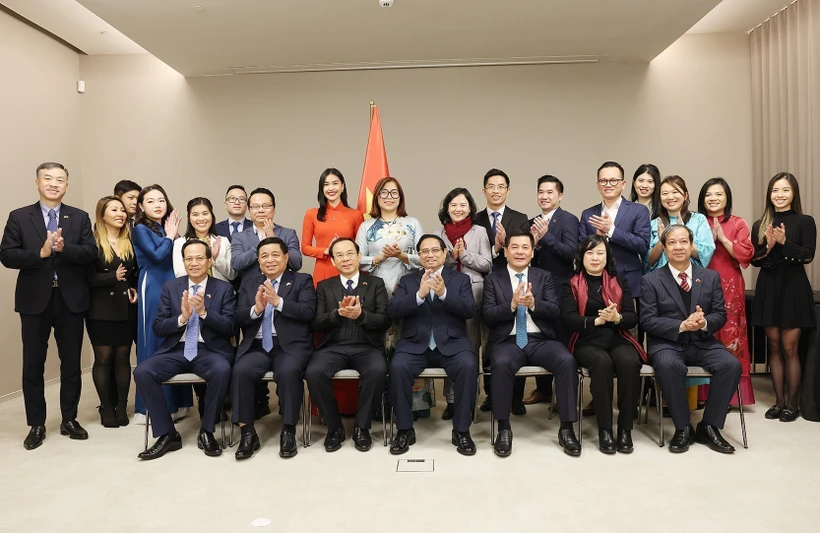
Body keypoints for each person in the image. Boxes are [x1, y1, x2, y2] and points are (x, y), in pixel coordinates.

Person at [0, 162, 97, 450]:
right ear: (37, 183)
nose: (54, 184)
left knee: (71, 363)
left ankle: (69, 419)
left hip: (70, 299)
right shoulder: (19, 216)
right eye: (48, 178)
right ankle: (37, 424)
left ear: (66, 186)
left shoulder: (78, 217)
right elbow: (6, 255)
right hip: (34, 300)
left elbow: (91, 253)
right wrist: (39, 253)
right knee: (33, 364)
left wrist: (66, 248)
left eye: (60, 180)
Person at [640, 225, 741, 454]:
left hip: (702, 342)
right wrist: (680, 325)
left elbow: (720, 314)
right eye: (672, 242)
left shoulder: (709, 277)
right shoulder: (651, 280)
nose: (678, 247)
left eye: (683, 241)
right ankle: (683, 427)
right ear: (664, 248)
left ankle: (709, 426)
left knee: (730, 364)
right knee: (668, 365)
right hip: (668, 343)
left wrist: (703, 323)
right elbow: (647, 320)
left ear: (691, 245)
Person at [134, 240, 235, 460]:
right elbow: (159, 327)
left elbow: (229, 327)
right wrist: (182, 318)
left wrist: (205, 312)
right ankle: (168, 434)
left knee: (222, 370)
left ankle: (207, 431)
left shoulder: (224, 288)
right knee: (143, 371)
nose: (194, 263)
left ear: (209, 261)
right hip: (176, 348)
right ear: (183, 262)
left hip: (210, 350)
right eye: (189, 259)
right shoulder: (171, 287)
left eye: (200, 258)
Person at [483, 232, 581, 457]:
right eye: (514, 247)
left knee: (566, 360)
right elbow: (488, 315)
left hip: (540, 339)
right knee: (500, 363)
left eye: (525, 247)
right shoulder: (492, 279)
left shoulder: (543, 277)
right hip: (507, 341)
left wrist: (534, 304)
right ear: (505, 251)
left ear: (532, 251)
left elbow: (555, 310)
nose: (519, 251)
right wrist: (511, 305)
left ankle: (566, 428)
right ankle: (503, 428)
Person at [388, 234, 478, 456]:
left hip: (452, 345)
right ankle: (405, 429)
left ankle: (462, 430)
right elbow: (393, 312)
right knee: (398, 367)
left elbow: (469, 311)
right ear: (419, 256)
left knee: (468, 366)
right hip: (414, 345)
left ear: (444, 253)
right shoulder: (408, 281)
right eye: (424, 251)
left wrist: (443, 294)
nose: (430, 255)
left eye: (435, 250)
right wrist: (419, 295)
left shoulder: (460, 280)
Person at [231, 237, 316, 460]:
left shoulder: (302, 280)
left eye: (275, 255)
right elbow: (237, 317)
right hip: (257, 345)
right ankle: (247, 433)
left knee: (288, 372)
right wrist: (256, 309)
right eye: (264, 256)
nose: (270, 260)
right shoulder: (249, 284)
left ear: (286, 258)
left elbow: (308, 312)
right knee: (240, 371)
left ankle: (288, 430)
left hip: (290, 346)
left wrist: (278, 302)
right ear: (258, 261)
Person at [355, 177, 432, 417]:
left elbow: (426, 257)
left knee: (407, 346)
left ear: (401, 197)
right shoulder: (367, 227)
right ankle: (378, 406)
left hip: (408, 291)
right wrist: (378, 258)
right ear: (376, 197)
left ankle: (414, 406)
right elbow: (357, 259)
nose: (389, 197)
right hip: (374, 293)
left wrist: (402, 256)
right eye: (384, 193)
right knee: (376, 348)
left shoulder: (412, 223)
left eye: (394, 193)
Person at [562, 235, 645, 454]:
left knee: (629, 362)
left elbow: (632, 316)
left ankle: (625, 429)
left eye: (600, 252)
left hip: (617, 336)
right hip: (586, 340)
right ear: (581, 257)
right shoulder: (571, 283)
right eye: (589, 253)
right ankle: (605, 430)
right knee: (602, 364)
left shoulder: (619, 282)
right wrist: (595, 321)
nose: (595, 258)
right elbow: (569, 318)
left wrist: (616, 318)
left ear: (607, 256)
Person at [306, 238, 390, 452]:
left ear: (359, 256)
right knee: (314, 372)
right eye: (340, 255)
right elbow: (316, 322)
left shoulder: (375, 283)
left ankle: (362, 427)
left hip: (367, 346)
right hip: (333, 346)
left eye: (350, 253)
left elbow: (385, 320)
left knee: (378, 370)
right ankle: (334, 428)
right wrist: (337, 314)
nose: (346, 259)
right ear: (333, 261)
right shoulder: (325, 287)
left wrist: (361, 315)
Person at [751, 172, 816, 422]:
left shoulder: (805, 221)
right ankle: (778, 402)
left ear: (794, 193)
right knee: (774, 346)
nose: (779, 195)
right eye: (775, 190)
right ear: (769, 194)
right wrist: (768, 246)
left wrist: (785, 242)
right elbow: (755, 261)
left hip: (794, 289)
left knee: (790, 348)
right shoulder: (761, 223)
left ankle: (793, 404)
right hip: (769, 287)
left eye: (785, 190)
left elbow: (807, 255)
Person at [301, 168, 364, 416]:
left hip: (348, 272)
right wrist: (326, 251)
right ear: (321, 188)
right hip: (324, 272)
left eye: (335, 183)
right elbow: (305, 246)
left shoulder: (355, 214)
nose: (331, 188)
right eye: (326, 184)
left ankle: (351, 404)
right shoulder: (312, 214)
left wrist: (344, 253)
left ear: (343, 186)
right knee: (324, 330)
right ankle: (324, 408)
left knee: (351, 328)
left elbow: (359, 248)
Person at [132, 184, 192, 424]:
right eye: (151, 201)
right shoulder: (140, 229)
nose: (157, 205)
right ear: (141, 207)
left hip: (173, 282)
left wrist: (173, 236)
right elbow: (156, 256)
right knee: (155, 339)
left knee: (176, 337)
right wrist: (170, 236)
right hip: (154, 285)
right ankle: (151, 407)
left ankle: (178, 403)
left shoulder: (167, 227)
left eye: (161, 200)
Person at [474, 168, 530, 414]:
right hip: (486, 285)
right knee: (491, 341)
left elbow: (525, 251)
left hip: (515, 282)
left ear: (508, 190)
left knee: (518, 335)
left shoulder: (520, 218)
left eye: (501, 187)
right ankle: (491, 395)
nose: (496, 191)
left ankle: (516, 397)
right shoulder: (474, 220)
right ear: (484, 190)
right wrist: (495, 248)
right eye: (491, 187)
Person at [434, 187, 491, 420]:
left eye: (463, 205)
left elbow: (487, 264)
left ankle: (469, 399)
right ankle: (451, 400)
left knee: (471, 346)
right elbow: (434, 262)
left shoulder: (479, 232)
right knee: (450, 345)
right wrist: (450, 258)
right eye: (454, 205)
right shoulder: (439, 233)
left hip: (473, 292)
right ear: (447, 208)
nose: (458, 209)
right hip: (446, 291)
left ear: (470, 208)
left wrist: (464, 256)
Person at [697, 178, 755, 406]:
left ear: (727, 198)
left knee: (731, 334)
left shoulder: (738, 223)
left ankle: (730, 395)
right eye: (709, 195)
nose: (713, 199)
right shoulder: (698, 222)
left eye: (718, 194)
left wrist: (721, 238)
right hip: (702, 282)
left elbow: (746, 255)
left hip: (730, 283)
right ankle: (702, 393)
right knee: (704, 332)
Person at [524, 174, 579, 406]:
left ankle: (565, 394)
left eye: (550, 192)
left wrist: (545, 238)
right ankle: (543, 390)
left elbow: (571, 253)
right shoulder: (532, 221)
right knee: (540, 335)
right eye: (541, 192)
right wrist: (533, 244)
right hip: (535, 289)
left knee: (562, 339)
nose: (544, 196)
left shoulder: (568, 220)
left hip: (560, 288)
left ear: (560, 196)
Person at [87, 196, 138, 428]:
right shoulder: (91, 241)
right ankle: (106, 406)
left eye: (122, 210)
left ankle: (120, 406)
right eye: (114, 210)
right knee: (104, 358)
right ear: (103, 215)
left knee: (123, 358)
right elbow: (84, 277)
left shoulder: (129, 240)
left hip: (125, 307)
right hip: (100, 309)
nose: (121, 214)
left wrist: (134, 288)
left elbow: (135, 273)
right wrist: (111, 277)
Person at [579, 161, 651, 301]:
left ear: (623, 184)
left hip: (628, 280)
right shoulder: (588, 213)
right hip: (595, 282)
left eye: (613, 180)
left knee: (629, 322)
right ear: (598, 185)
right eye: (604, 181)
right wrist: (597, 239)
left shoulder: (638, 210)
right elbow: (580, 249)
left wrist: (611, 231)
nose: (608, 184)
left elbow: (642, 245)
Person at [645, 176, 715, 272]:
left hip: (692, 279)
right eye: (665, 193)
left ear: (685, 196)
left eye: (675, 192)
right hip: (660, 281)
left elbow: (706, 255)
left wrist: (683, 235)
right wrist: (662, 242)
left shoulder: (699, 220)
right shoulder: (654, 224)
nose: (670, 197)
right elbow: (647, 262)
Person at [231, 187, 302, 276]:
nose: (261, 210)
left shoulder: (288, 233)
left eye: (266, 206)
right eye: (256, 207)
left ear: (274, 209)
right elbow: (236, 264)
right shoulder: (239, 237)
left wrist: (275, 240)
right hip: (251, 288)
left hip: (282, 288)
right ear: (249, 210)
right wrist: (261, 244)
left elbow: (297, 264)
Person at [173, 197, 236, 283]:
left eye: (205, 213)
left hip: (221, 293)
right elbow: (180, 274)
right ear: (189, 219)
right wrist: (201, 258)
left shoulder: (223, 241)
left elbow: (232, 275)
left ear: (212, 216)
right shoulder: (180, 243)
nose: (201, 218)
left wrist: (215, 258)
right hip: (192, 292)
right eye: (195, 215)